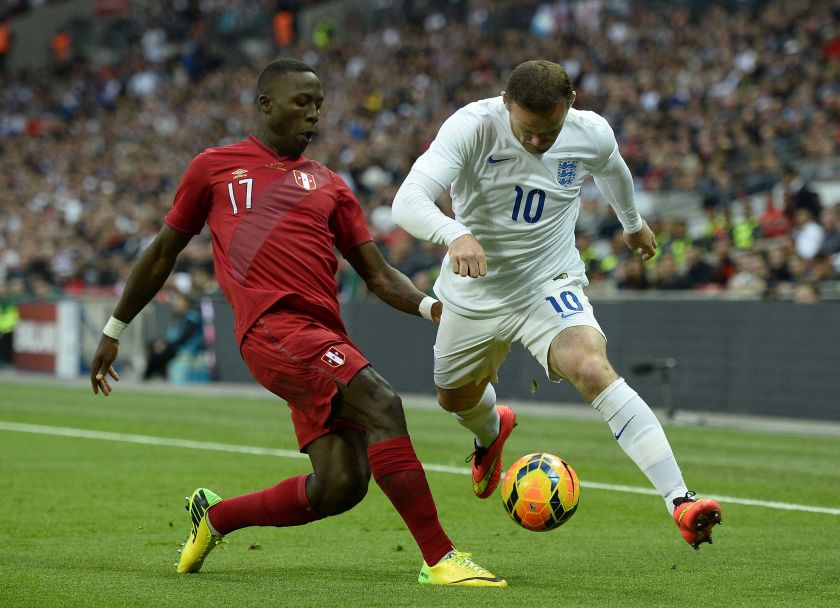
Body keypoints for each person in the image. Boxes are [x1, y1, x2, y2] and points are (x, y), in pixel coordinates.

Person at [90, 58, 505, 587]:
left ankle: (215, 518)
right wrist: (115, 328)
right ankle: (440, 558)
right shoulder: (214, 168)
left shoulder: (330, 184)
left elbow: (377, 275)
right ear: (265, 105)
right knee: (382, 402)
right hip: (271, 330)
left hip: (321, 335)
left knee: (340, 486)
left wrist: (433, 309)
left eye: (318, 105)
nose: (313, 115)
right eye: (301, 103)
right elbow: (161, 253)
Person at [392, 59, 722, 550]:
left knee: (590, 367)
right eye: (527, 131)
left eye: (550, 131)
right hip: (475, 289)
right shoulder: (471, 127)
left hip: (549, 280)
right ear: (506, 104)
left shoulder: (589, 132)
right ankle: (491, 431)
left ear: (569, 108)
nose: (538, 143)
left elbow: (615, 171)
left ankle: (679, 500)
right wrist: (454, 232)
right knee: (454, 398)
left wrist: (631, 223)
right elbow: (408, 198)